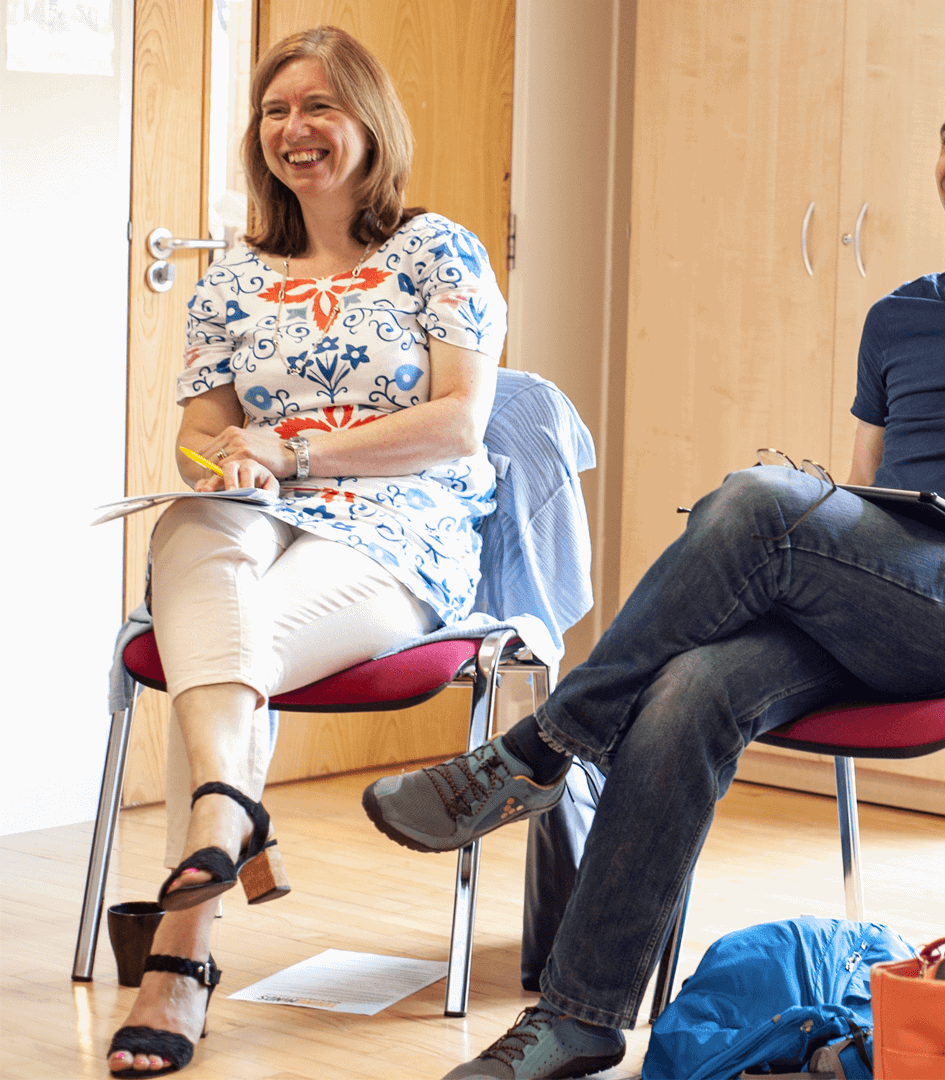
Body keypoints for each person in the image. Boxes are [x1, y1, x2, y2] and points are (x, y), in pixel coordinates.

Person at [362, 49, 945, 1079]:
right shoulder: (898, 316)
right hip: (882, 594)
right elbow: (862, 496)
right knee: (687, 687)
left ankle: (544, 749)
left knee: (760, 501)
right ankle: (582, 1015)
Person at [104, 26, 507, 1078]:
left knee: (220, 655)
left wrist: (293, 446)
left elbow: (459, 423)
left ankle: (182, 948)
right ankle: (232, 817)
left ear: (370, 120)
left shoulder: (437, 251)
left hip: (400, 520)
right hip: (256, 514)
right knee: (192, 525)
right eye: (277, 111)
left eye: (320, 106)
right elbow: (198, 438)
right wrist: (222, 462)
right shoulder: (228, 282)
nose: (296, 130)